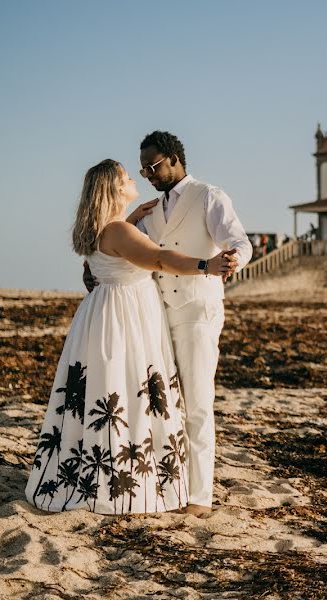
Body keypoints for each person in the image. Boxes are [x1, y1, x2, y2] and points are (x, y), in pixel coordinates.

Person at [26, 159, 237, 514]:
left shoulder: (101, 229)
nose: (134, 179)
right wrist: (207, 265)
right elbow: (159, 258)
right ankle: (127, 481)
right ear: (114, 189)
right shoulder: (120, 231)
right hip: (128, 316)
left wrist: (132, 215)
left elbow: (113, 254)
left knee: (105, 389)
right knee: (131, 391)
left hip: (101, 314)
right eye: (126, 178)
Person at [84, 131, 252, 516]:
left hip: (197, 312)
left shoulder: (209, 196)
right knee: (166, 405)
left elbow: (239, 241)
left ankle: (199, 499)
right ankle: (168, 488)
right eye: (142, 169)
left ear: (175, 159)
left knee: (197, 403)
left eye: (153, 166)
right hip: (156, 317)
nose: (147, 174)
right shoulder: (148, 211)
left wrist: (233, 260)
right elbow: (124, 249)